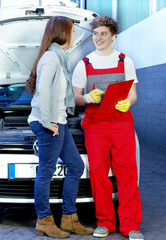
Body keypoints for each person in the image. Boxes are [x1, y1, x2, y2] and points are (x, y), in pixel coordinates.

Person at [72, 16, 144, 240]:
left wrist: (128, 102)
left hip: (121, 120)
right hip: (95, 123)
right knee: (99, 174)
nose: (98, 38)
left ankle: (131, 225)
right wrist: (86, 98)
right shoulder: (84, 64)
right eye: (95, 34)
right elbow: (74, 97)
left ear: (113, 36)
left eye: (103, 34)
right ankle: (105, 222)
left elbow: (132, 93)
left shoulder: (125, 61)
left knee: (127, 173)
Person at [26, 16, 94, 238]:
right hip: (49, 123)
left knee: (75, 166)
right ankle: (44, 220)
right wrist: (48, 122)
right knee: (46, 172)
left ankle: (68, 218)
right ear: (63, 33)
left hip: (59, 122)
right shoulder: (51, 58)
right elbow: (43, 90)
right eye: (73, 31)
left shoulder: (60, 57)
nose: (74, 35)